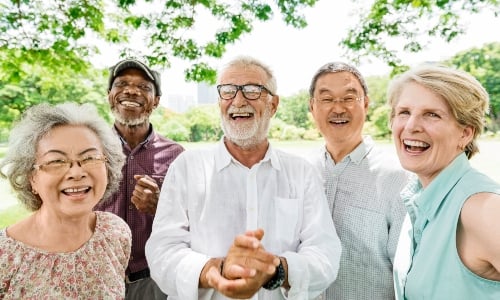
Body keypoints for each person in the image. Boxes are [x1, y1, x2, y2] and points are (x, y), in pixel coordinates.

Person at [145, 55, 341, 300]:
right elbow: (163, 252)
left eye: (252, 90)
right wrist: (215, 271)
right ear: (219, 102)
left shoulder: (301, 173)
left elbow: (325, 254)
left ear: (274, 104)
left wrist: (275, 270)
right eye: (227, 91)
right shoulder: (187, 168)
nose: (238, 100)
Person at [389, 64, 500, 299]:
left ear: (465, 133)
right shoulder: (419, 198)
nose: (411, 126)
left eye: (432, 114)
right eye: (404, 112)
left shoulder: (482, 208)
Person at [0, 102, 131, 298]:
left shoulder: (115, 233)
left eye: (89, 158)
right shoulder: (5, 256)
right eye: (56, 161)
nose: (77, 172)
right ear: (31, 178)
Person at [307, 62, 409, 300]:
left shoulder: (396, 176)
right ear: (312, 107)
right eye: (327, 99)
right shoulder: (302, 172)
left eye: (349, 98)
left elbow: (406, 273)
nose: (338, 108)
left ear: (366, 103)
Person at [94, 58, 185, 299]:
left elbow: (192, 221)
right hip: (96, 274)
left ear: (155, 101)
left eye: (144, 87)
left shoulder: (176, 155)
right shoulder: (89, 148)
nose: (131, 90)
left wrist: (160, 205)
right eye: (121, 83)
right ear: (109, 95)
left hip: (152, 278)